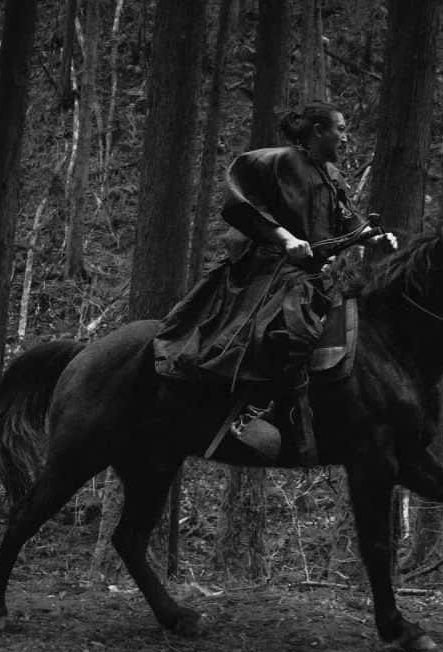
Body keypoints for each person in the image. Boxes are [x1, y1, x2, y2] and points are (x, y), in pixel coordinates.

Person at [154, 102, 392, 465]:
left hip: (318, 272)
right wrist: (283, 237)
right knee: (292, 326)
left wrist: (371, 237)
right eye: (340, 129)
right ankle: (252, 408)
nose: (345, 137)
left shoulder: (333, 175)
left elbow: (347, 220)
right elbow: (239, 203)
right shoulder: (273, 161)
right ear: (317, 130)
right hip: (271, 267)